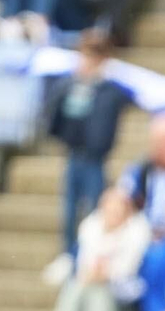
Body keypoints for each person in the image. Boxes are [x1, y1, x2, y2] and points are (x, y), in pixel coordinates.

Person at [44, 30, 129, 265]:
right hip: (74, 154)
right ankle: (68, 255)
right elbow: (55, 114)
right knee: (70, 209)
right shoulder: (69, 85)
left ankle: (89, 255)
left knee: (94, 207)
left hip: (96, 159)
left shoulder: (110, 91)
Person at [52, 187, 150, 311]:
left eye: (118, 212)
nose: (113, 216)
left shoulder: (137, 231)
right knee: (75, 287)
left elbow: (125, 270)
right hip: (90, 285)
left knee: (101, 293)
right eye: (109, 211)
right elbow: (84, 266)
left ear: (126, 213)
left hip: (124, 299)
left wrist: (102, 273)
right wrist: (97, 273)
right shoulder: (90, 227)